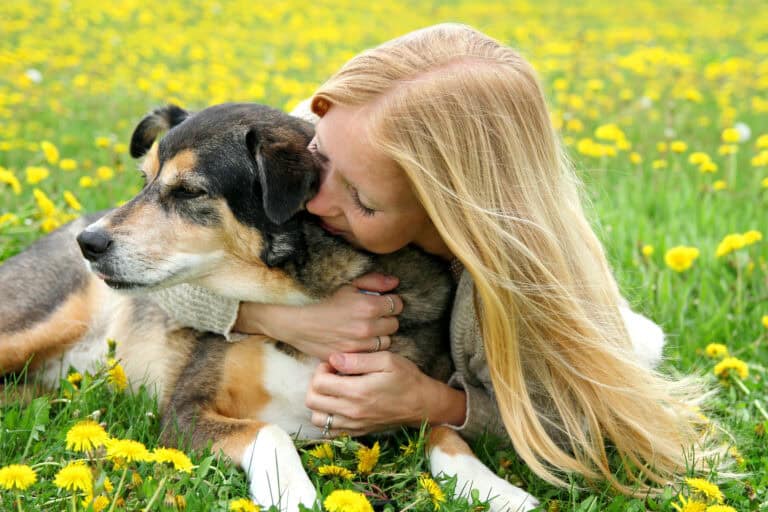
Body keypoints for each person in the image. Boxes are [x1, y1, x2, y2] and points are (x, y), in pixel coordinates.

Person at [153, 23, 711, 493]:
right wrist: (271, 316)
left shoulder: (517, 287)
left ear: (446, 210)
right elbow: (165, 265)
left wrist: (434, 404)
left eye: (363, 201)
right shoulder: (320, 141)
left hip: (548, 322)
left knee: (629, 350)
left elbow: (569, 427)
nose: (316, 199)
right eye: (321, 161)